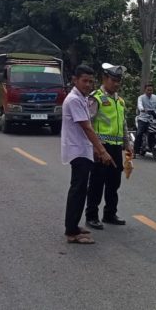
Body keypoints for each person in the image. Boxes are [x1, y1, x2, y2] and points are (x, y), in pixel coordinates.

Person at [61, 65, 113, 244]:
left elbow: (87, 128)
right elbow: (87, 127)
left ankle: (74, 226)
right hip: (78, 151)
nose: (88, 84)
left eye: (91, 81)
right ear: (75, 80)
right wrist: (102, 150)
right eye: (84, 80)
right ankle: (71, 232)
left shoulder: (81, 98)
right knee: (78, 190)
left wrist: (94, 150)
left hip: (83, 150)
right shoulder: (74, 99)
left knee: (81, 190)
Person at [85, 63, 134, 229]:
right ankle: (91, 216)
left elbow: (123, 124)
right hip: (101, 147)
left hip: (115, 147)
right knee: (97, 184)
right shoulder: (95, 98)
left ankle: (110, 213)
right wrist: (94, 148)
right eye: (113, 80)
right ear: (104, 79)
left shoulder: (120, 101)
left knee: (114, 183)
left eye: (119, 81)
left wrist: (128, 144)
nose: (117, 83)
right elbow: (88, 124)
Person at [134, 82, 156, 156]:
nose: (150, 92)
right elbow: (139, 105)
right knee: (139, 134)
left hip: (153, 119)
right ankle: (135, 151)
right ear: (145, 90)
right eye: (148, 90)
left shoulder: (155, 97)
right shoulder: (141, 97)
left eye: (151, 90)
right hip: (143, 119)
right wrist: (143, 109)